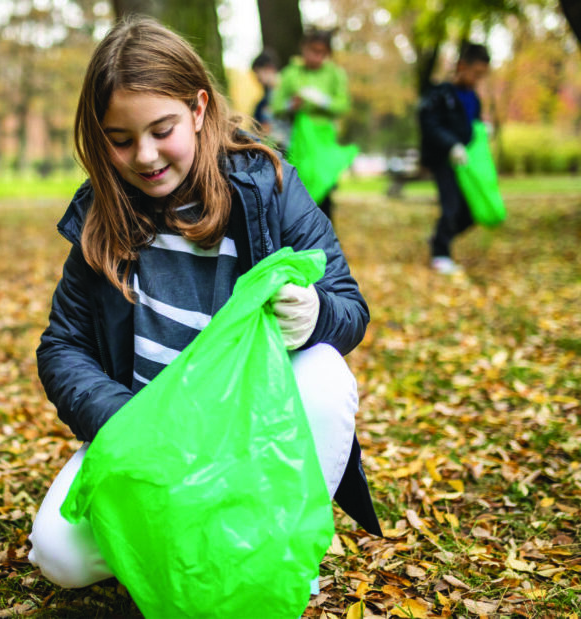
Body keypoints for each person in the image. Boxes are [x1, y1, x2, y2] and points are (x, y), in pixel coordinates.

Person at [30, 17, 380, 591]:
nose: (144, 156)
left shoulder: (268, 185)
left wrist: (316, 313)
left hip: (247, 434)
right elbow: (62, 346)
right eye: (120, 139)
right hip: (148, 439)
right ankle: (187, 536)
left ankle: (272, 540)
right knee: (59, 555)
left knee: (323, 370)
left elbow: (349, 307)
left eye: (161, 129)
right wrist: (123, 423)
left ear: (196, 109)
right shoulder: (102, 213)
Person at [419, 43, 491, 275]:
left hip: (466, 164)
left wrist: (482, 130)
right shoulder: (440, 94)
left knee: (471, 211)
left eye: (483, 75)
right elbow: (429, 123)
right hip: (444, 160)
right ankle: (440, 254)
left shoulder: (474, 99)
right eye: (476, 74)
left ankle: (440, 238)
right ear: (462, 66)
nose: (477, 79)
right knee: (450, 206)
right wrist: (451, 145)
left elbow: (474, 124)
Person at [271, 27, 351, 221]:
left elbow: (343, 105)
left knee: (323, 192)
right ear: (303, 49)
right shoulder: (291, 73)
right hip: (298, 143)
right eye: (312, 51)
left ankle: (326, 242)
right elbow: (276, 106)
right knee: (298, 190)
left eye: (321, 53)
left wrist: (322, 101)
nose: (316, 57)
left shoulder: (335, 74)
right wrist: (291, 105)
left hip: (323, 143)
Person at [250, 48, 288, 150]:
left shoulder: (287, 89)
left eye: (258, 73)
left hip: (288, 147)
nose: (257, 78)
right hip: (275, 146)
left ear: (269, 68)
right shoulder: (265, 99)